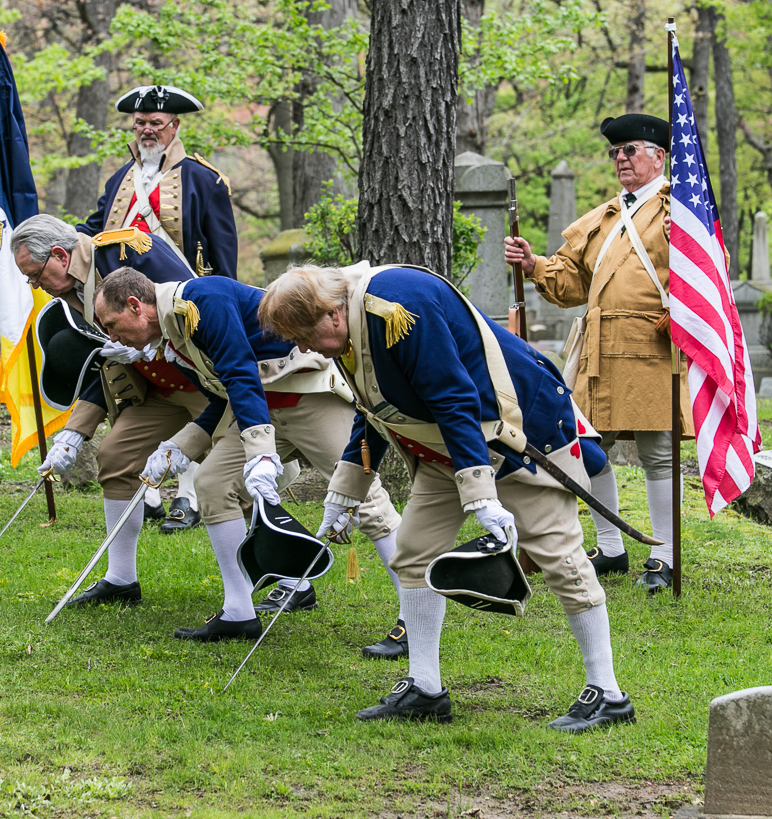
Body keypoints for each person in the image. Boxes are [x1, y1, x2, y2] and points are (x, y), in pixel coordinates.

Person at [257, 263, 635, 732]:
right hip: (446, 446)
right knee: (413, 555)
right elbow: (371, 414)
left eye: (303, 335)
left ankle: (609, 693)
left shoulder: (397, 306)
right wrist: (343, 495)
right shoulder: (354, 327)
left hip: (517, 434)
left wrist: (480, 497)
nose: (301, 349)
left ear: (331, 314)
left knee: (560, 556)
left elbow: (454, 396)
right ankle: (425, 687)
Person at [92, 269, 408, 657]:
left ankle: (414, 617)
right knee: (210, 484)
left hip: (307, 397)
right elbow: (225, 392)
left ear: (136, 307)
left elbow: (241, 371)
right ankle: (238, 610)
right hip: (261, 409)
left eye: (111, 324)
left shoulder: (200, 300)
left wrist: (259, 453)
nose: (112, 337)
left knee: (365, 499)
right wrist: (179, 446)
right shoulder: (175, 325)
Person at [504, 113, 690, 593]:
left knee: (658, 454)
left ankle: (664, 557)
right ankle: (610, 547)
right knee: (588, 450)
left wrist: (685, 318)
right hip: (599, 351)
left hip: (653, 346)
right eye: (615, 152)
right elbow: (572, 286)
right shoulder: (606, 215)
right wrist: (534, 264)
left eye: (630, 150)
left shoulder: (680, 210)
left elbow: (703, 274)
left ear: (658, 157)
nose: (621, 159)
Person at [11, 214, 208, 607]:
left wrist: (152, 347)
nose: (34, 285)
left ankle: (289, 579)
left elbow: (195, 308)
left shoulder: (128, 251)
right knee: (115, 457)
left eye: (35, 274)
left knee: (234, 478)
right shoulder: (69, 292)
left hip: (206, 382)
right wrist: (74, 432)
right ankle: (121, 580)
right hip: (157, 388)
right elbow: (106, 358)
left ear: (59, 256)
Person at [77, 83, 239, 531]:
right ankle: (147, 495)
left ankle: (188, 495)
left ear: (175, 127)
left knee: (201, 397)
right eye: (140, 123)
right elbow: (92, 231)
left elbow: (224, 261)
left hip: (182, 311)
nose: (147, 130)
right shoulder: (117, 179)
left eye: (156, 123)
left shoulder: (206, 180)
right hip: (128, 308)